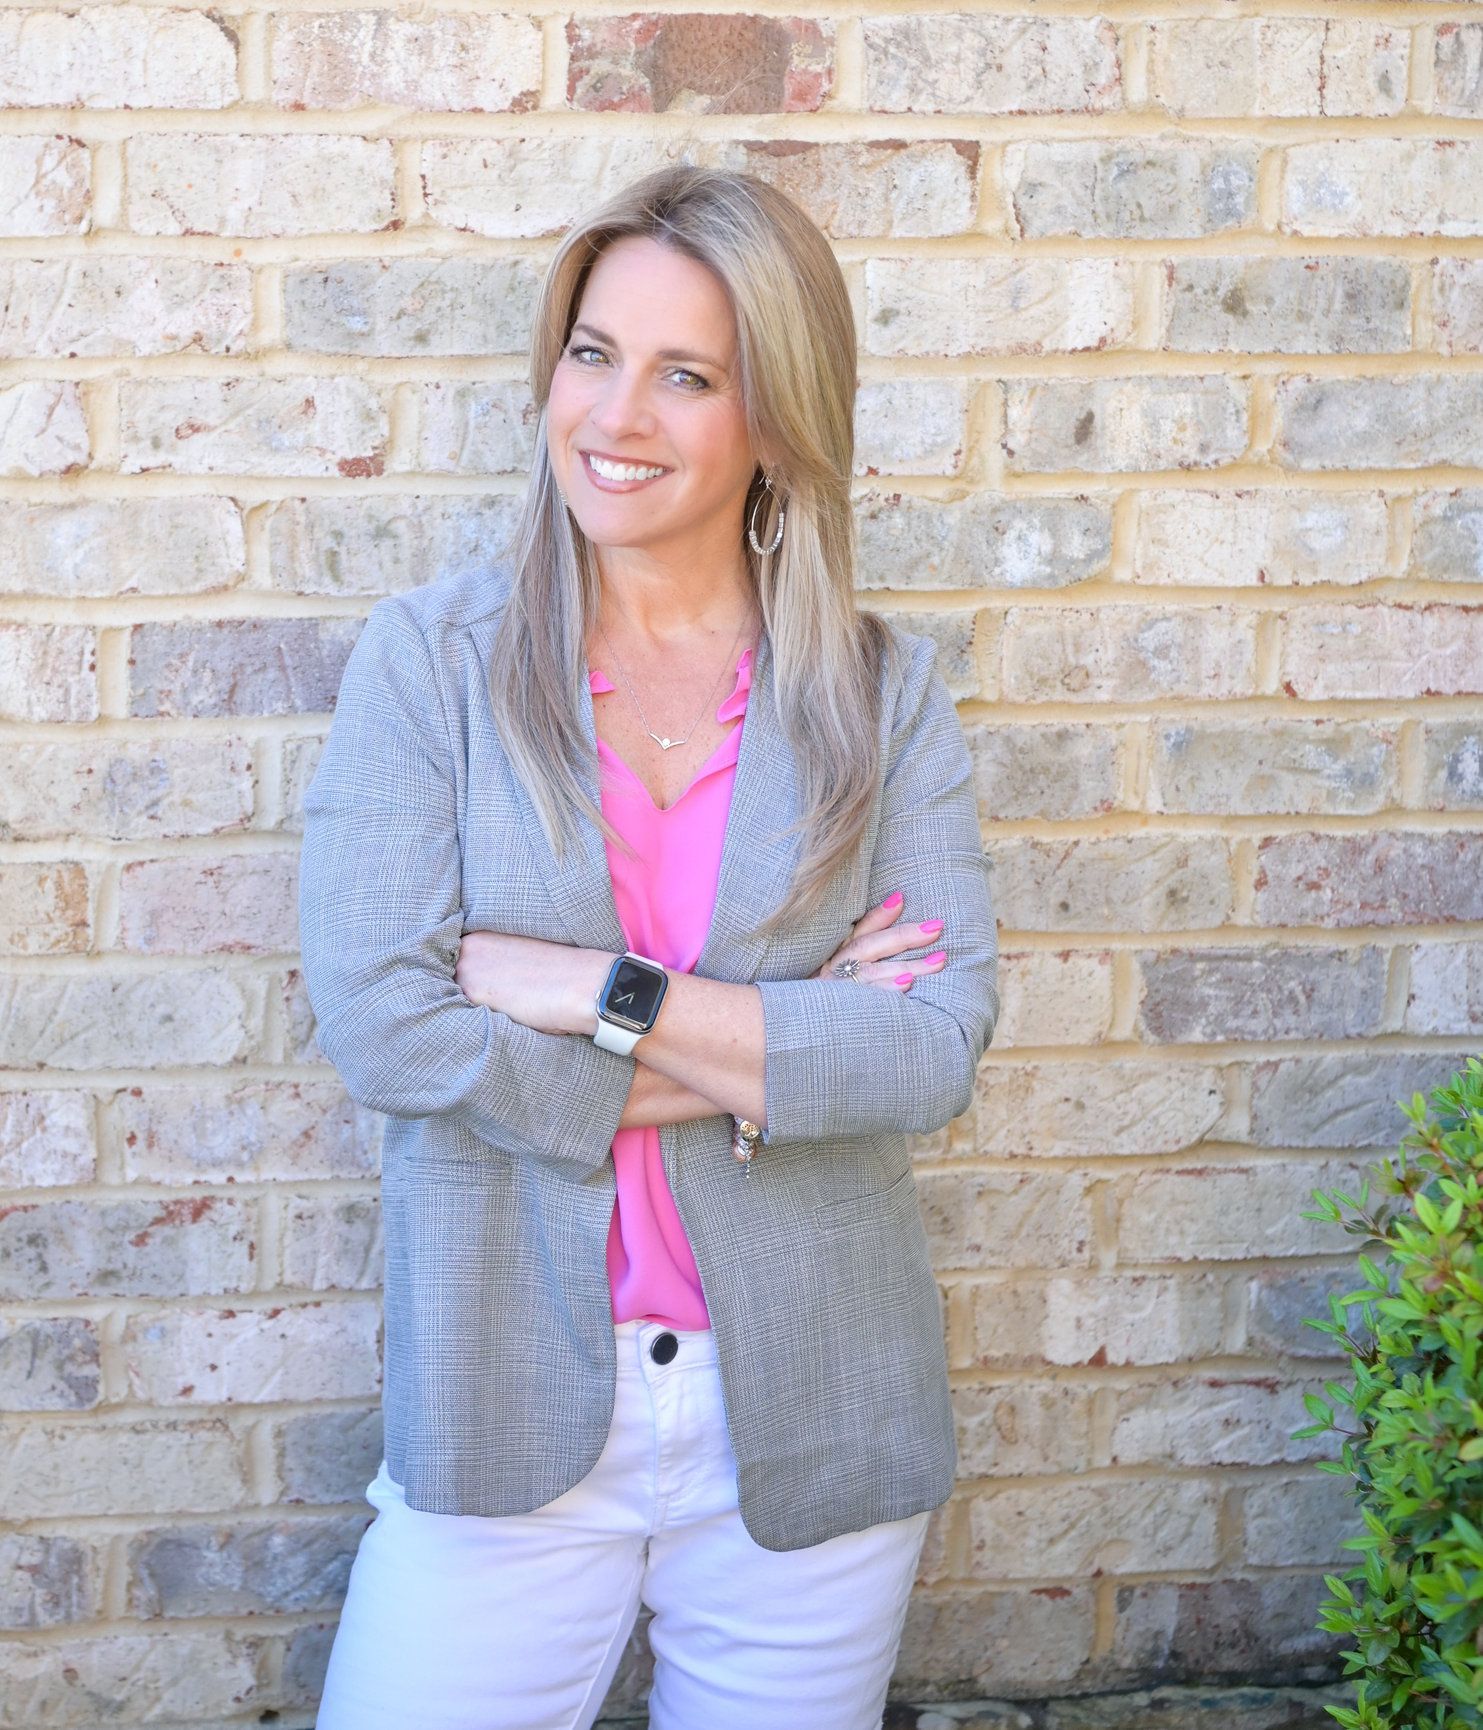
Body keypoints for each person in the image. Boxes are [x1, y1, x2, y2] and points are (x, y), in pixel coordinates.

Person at [298, 162, 999, 1730]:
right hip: (508, 1396)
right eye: (595, 352)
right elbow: (390, 1029)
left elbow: (933, 1045)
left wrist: (580, 989)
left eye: (688, 375)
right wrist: (782, 1047)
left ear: (777, 420)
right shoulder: (435, 665)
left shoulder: (881, 694)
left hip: (810, 1412)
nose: (616, 413)